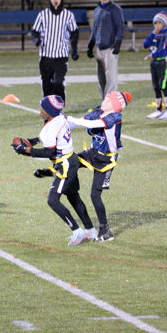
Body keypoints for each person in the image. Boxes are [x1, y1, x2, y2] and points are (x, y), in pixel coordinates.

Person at [11, 95, 97, 246]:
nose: (39, 110)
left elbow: (49, 152)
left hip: (65, 164)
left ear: (49, 111)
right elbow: (46, 137)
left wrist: (26, 150)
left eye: (42, 108)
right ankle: (90, 230)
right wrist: (31, 142)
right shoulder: (58, 118)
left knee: (53, 200)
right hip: (70, 160)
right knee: (73, 196)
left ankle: (77, 232)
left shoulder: (52, 126)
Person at [67, 91, 132, 242]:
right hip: (93, 152)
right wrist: (61, 124)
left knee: (95, 195)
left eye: (108, 100)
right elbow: (77, 123)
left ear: (115, 106)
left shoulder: (115, 117)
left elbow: (92, 124)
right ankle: (53, 176)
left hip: (106, 160)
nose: (104, 101)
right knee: (70, 162)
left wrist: (69, 118)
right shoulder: (97, 113)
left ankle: (105, 230)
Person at [31, 0, 79, 103]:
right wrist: (36, 40)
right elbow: (34, 31)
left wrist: (74, 50)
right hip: (46, 55)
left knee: (58, 82)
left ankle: (60, 105)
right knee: (46, 83)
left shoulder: (68, 15)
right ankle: (48, 106)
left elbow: (74, 32)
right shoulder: (43, 15)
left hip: (61, 55)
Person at [87, 0, 124, 99]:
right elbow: (94, 29)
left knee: (111, 77)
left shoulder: (115, 9)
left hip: (110, 47)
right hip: (100, 48)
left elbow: (120, 28)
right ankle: (104, 100)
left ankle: (110, 101)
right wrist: (90, 45)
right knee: (101, 77)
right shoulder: (97, 10)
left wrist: (117, 43)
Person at [143, 11, 167, 119]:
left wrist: (153, 54)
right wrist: (152, 34)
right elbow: (145, 44)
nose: (157, 25)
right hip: (154, 62)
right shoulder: (154, 35)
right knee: (156, 86)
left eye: (159, 23)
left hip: (163, 62)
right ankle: (158, 110)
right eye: (155, 23)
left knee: (163, 85)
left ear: (163, 24)